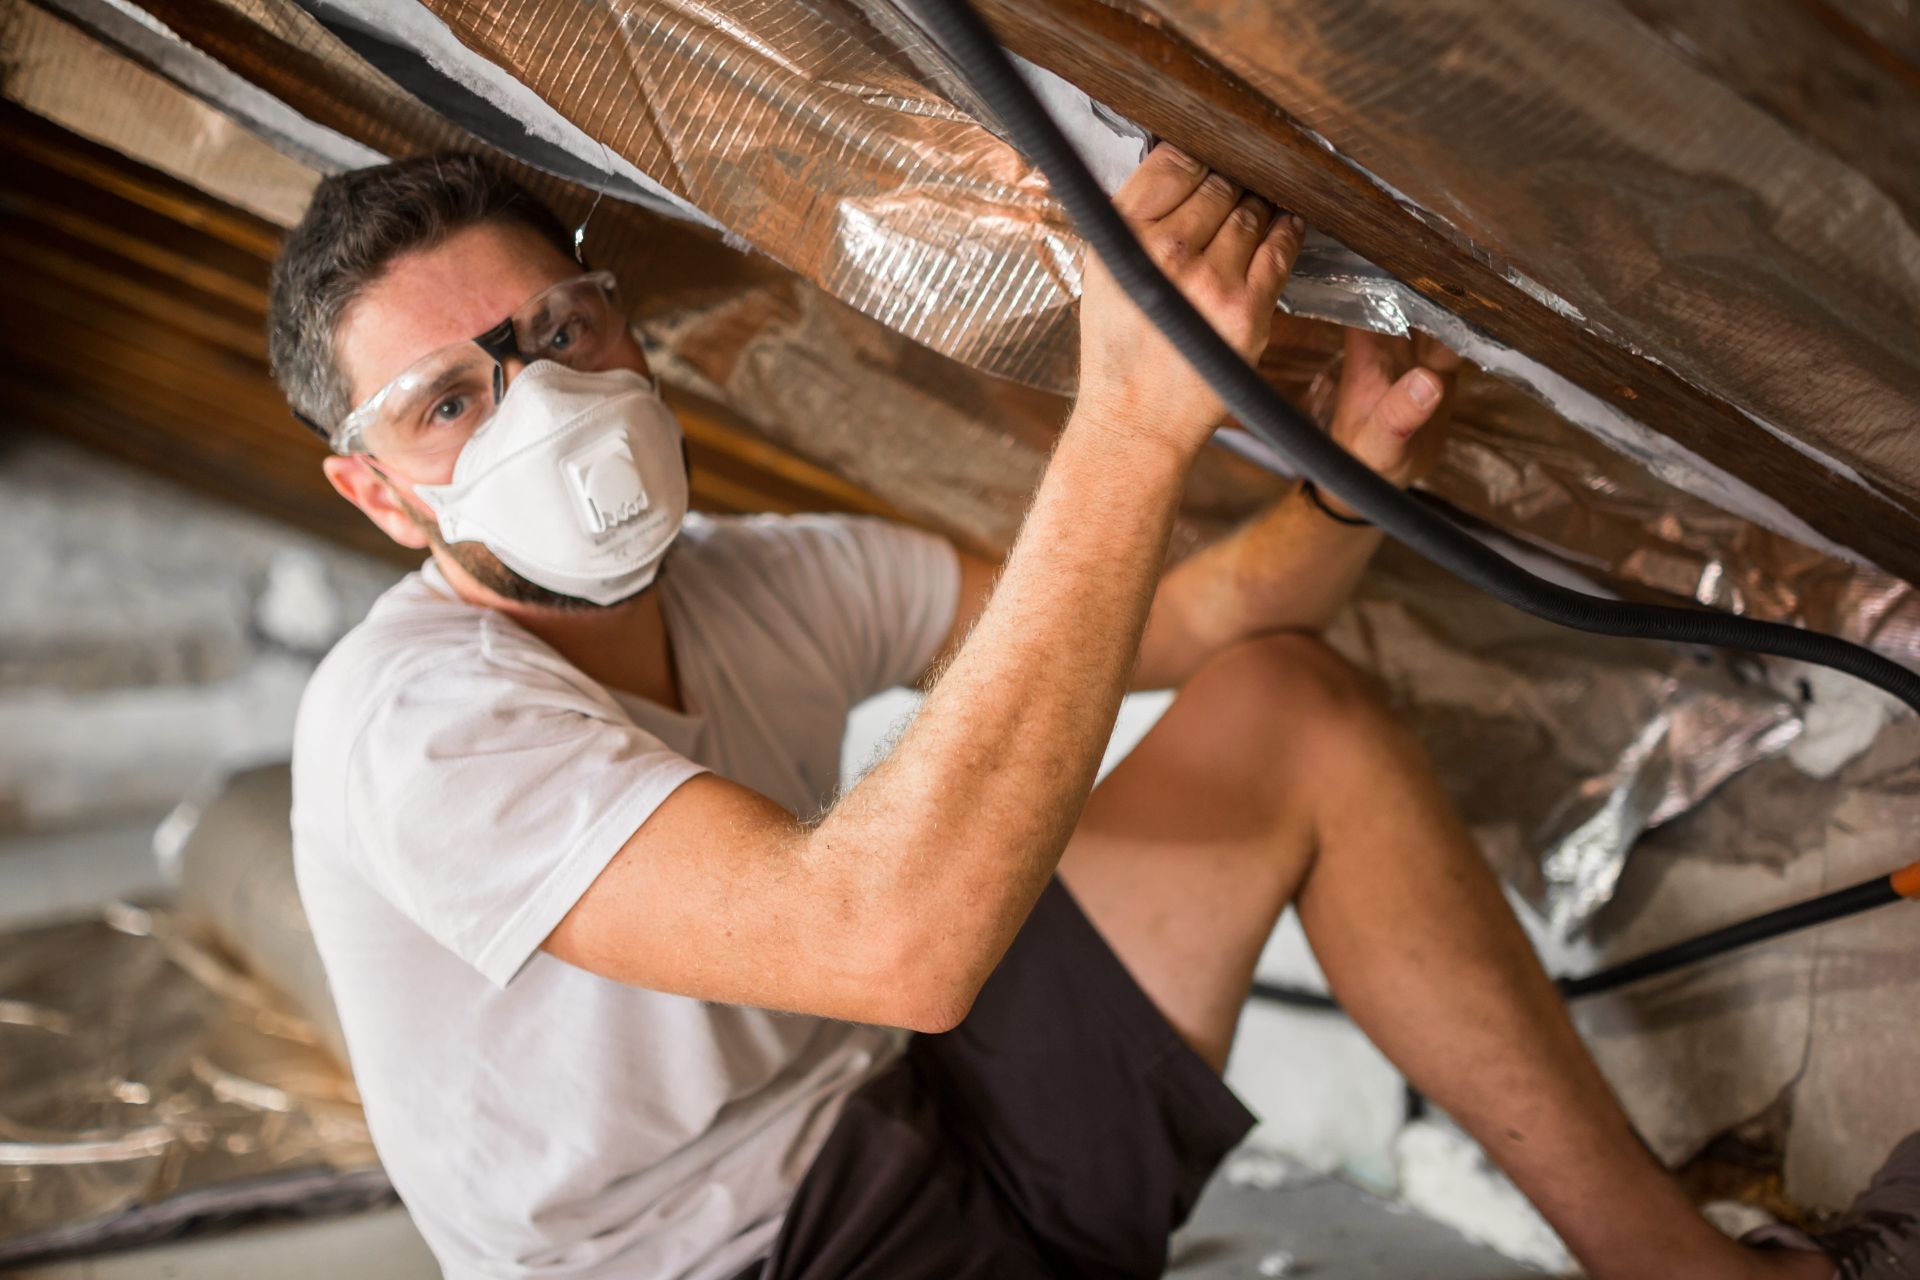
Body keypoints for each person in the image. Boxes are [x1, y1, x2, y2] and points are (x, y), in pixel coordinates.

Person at [268, 145, 1905, 1280]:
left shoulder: (765, 580)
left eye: (560, 333)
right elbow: (891, 944)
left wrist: (1351, 476)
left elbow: (1172, 623)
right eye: (449, 401)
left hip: (924, 1115)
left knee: (1284, 710)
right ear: (376, 494)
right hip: (736, 1262)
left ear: (625, 327)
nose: (543, 407)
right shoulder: (412, 725)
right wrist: (1125, 419)